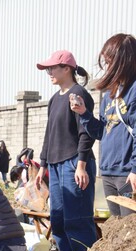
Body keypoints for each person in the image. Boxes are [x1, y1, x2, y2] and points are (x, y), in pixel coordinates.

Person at [35, 50, 97, 251]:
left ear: (67, 68)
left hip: (74, 163)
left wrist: (81, 165)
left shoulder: (79, 94)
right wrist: (42, 166)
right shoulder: (54, 99)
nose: (49, 72)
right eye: (47, 69)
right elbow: (49, 134)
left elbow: (86, 132)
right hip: (55, 164)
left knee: (76, 221)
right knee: (58, 220)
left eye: (52, 68)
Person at [71, 34, 136, 217]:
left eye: (110, 60)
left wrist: (135, 170)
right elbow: (102, 132)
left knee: (130, 231)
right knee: (116, 229)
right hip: (108, 171)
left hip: (128, 173)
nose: (107, 66)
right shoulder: (109, 94)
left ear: (124, 59)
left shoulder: (134, 89)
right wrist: (84, 113)